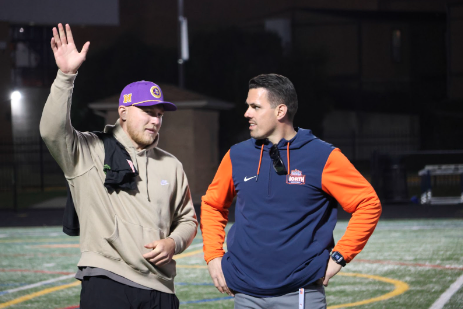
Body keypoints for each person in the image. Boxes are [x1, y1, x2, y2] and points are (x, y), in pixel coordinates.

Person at [40, 24, 197, 309]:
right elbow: (52, 131)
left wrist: (173, 243)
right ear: (123, 112)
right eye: (148, 112)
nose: (156, 120)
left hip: (162, 289)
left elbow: (188, 220)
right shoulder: (89, 151)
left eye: (160, 114)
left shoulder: (171, 165)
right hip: (108, 281)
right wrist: (66, 76)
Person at [200, 74, 382, 308]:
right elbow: (213, 204)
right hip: (245, 295)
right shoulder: (237, 155)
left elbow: (368, 203)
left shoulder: (322, 156)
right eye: (248, 106)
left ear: (280, 111)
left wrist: (340, 256)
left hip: (300, 295)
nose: (247, 113)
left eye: (255, 107)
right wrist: (214, 256)